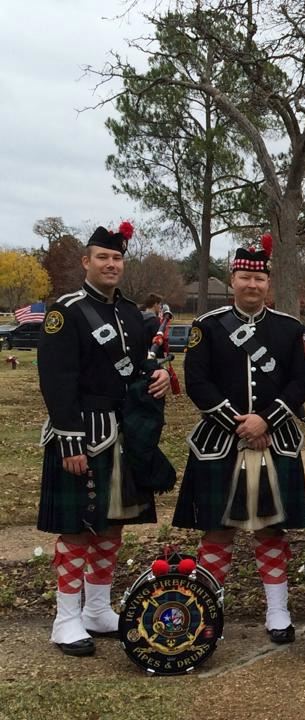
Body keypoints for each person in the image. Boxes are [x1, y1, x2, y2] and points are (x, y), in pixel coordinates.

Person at [37, 221, 172, 656]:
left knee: (113, 523)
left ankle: (97, 608)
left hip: (124, 432)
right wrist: (70, 441)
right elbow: (56, 381)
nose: (111, 264)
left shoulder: (133, 314)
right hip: (84, 432)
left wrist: (161, 377)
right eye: (103, 257)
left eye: (116, 258)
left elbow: (136, 370)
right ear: (86, 262)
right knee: (76, 528)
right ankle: (66, 618)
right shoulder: (67, 312)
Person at [172, 233, 305, 645]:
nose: (252, 286)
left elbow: (301, 382)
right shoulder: (207, 327)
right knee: (217, 529)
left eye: (260, 280)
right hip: (221, 441)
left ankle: (278, 610)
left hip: (276, 440)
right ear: (232, 279)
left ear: (268, 283)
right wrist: (239, 423)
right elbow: (198, 383)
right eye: (244, 278)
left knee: (272, 530)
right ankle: (208, 607)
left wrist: (265, 420)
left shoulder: (289, 329)